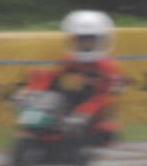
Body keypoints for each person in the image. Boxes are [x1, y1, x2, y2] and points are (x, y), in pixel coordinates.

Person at [25, 10, 125, 146]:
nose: (85, 44)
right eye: (81, 40)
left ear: (100, 40)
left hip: (95, 104)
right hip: (74, 100)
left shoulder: (107, 65)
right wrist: (33, 88)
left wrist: (114, 84)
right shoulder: (69, 59)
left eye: (90, 40)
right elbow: (53, 77)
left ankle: (79, 140)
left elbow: (114, 88)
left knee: (95, 126)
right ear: (74, 40)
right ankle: (41, 134)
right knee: (50, 99)